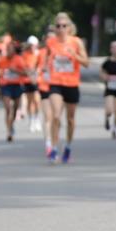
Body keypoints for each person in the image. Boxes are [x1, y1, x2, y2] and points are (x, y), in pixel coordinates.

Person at [44, 13, 89, 164]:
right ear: (54, 28)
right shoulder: (50, 42)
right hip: (56, 83)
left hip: (72, 84)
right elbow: (46, 60)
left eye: (64, 26)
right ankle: (54, 148)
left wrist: (74, 55)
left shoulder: (76, 42)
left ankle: (68, 146)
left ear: (70, 28)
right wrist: (44, 70)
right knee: (56, 116)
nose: (61, 28)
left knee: (70, 119)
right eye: (58, 26)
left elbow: (86, 63)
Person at [0, 40, 29, 142]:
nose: (8, 51)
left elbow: (26, 73)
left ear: (14, 51)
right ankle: (9, 131)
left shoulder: (19, 59)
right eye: (7, 49)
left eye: (10, 49)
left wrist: (15, 71)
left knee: (15, 108)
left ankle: (12, 124)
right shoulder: (2, 60)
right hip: (6, 85)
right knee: (7, 108)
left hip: (17, 85)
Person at [37, 26, 55, 156]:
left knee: (56, 118)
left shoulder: (60, 51)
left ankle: (54, 141)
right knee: (48, 116)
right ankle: (48, 143)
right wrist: (40, 70)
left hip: (58, 87)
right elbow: (35, 67)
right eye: (48, 38)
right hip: (44, 87)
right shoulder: (41, 53)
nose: (51, 40)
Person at [22, 35, 42, 132]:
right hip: (27, 80)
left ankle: (37, 118)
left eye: (33, 45)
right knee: (30, 102)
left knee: (37, 101)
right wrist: (29, 73)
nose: (32, 47)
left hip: (37, 80)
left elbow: (40, 65)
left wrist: (37, 72)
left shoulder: (38, 54)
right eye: (30, 45)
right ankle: (31, 120)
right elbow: (24, 67)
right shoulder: (25, 54)